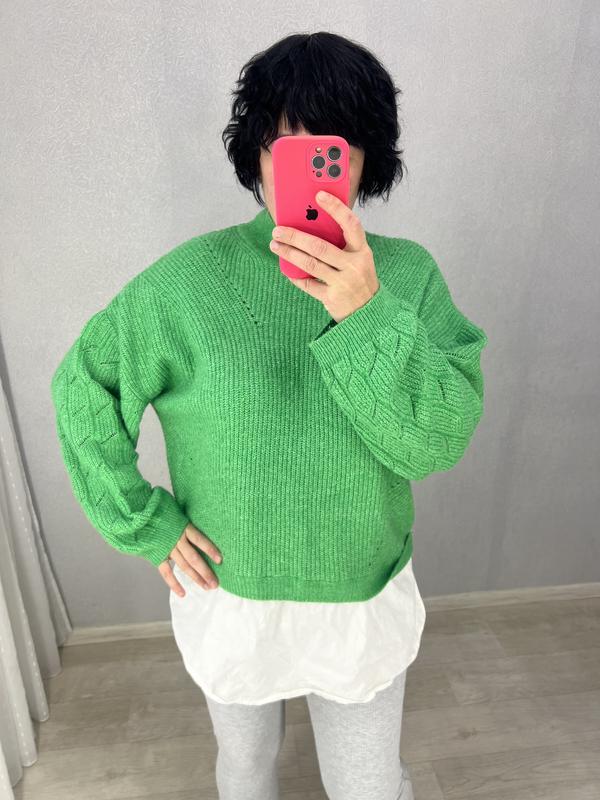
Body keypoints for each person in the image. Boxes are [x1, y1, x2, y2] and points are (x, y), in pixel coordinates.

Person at [50, 31, 488, 800]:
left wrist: (366, 314)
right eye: (290, 148)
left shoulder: (407, 278)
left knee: (368, 787)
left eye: (335, 150)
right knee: (246, 772)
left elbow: (434, 443)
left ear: (367, 159)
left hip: (360, 592)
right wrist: (145, 523)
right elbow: (84, 386)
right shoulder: (185, 284)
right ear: (256, 155)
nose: (314, 171)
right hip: (231, 595)